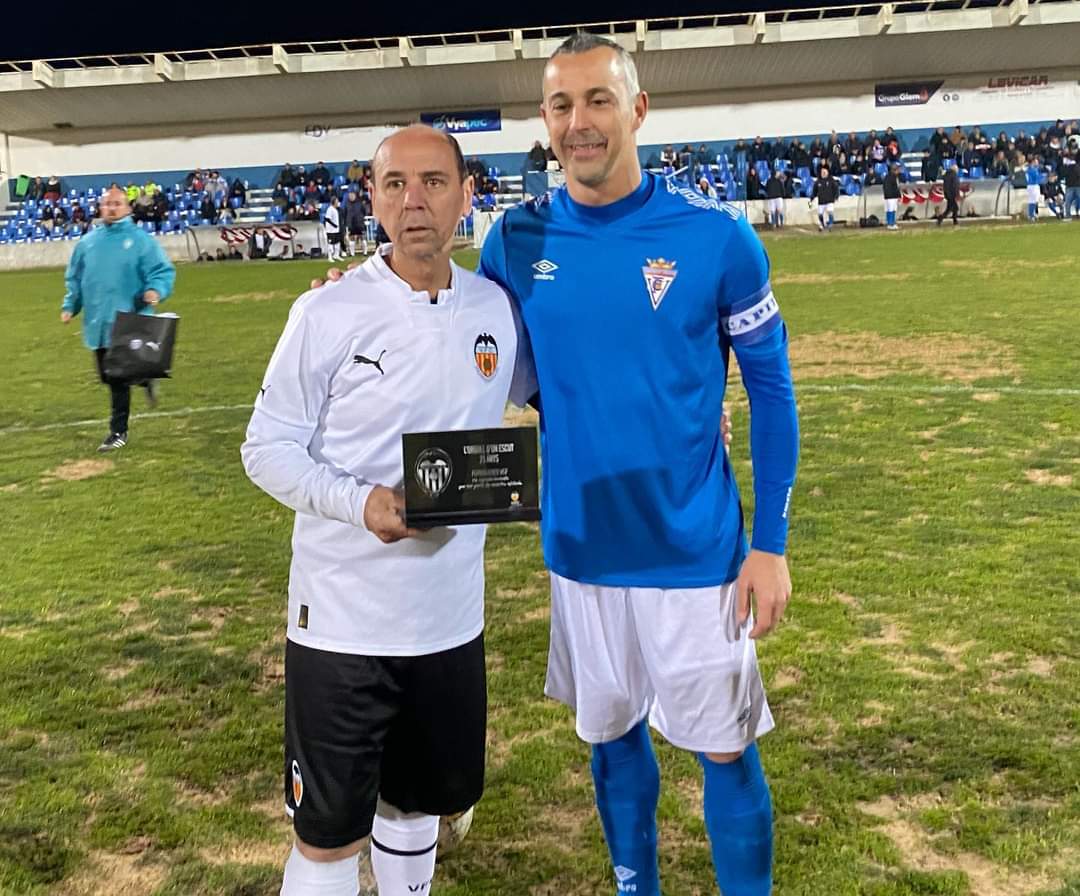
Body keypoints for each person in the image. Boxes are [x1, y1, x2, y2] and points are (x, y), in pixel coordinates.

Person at [478, 34, 796, 896]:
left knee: (725, 749)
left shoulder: (715, 237)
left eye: (598, 100)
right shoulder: (513, 241)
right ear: (544, 123)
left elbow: (771, 391)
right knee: (610, 738)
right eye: (560, 106)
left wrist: (768, 543)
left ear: (638, 108)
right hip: (580, 550)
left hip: (695, 554)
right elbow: (461, 347)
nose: (579, 123)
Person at [242, 124, 531, 896]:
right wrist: (360, 501)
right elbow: (265, 447)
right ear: (371, 198)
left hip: (448, 619)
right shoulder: (327, 313)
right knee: (328, 834)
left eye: (434, 182)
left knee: (416, 811)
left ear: (469, 195)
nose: (414, 201)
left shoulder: (497, 311)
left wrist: (695, 418)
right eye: (395, 183)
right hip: (342, 621)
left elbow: (570, 404)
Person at [60, 187, 175, 452]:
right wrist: (70, 306)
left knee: (116, 379)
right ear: (101, 207)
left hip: (129, 319)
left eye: (117, 203)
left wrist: (156, 290)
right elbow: (75, 279)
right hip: (97, 323)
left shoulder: (140, 240)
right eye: (107, 203)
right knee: (106, 376)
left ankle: (118, 432)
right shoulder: (87, 243)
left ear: (128, 208)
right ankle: (145, 376)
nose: (112, 208)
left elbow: (162, 270)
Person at [810, 164, 839, 231]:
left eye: (824, 172)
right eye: (822, 172)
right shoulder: (818, 182)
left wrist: (836, 196)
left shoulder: (831, 180)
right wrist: (811, 199)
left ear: (827, 172)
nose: (823, 173)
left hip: (830, 200)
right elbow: (814, 191)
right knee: (820, 214)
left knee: (830, 211)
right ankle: (822, 225)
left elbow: (836, 188)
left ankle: (830, 224)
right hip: (821, 201)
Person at [323, 194, 343, 262]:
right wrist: (334, 225)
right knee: (330, 244)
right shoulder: (330, 209)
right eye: (337, 201)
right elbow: (327, 219)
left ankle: (336, 255)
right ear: (333, 202)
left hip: (336, 230)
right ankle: (330, 256)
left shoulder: (336, 209)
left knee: (337, 243)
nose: (338, 203)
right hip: (330, 230)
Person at [883, 163, 902, 230]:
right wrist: (899, 196)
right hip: (892, 196)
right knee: (892, 210)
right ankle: (891, 223)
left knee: (888, 210)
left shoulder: (887, 176)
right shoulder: (894, 177)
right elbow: (896, 188)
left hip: (887, 196)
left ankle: (889, 223)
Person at [1024, 155, 1042, 222]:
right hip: (1033, 186)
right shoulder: (1032, 170)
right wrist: (1043, 177)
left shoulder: (1029, 169)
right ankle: (1032, 215)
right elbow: (1036, 179)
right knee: (1034, 201)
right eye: (1036, 162)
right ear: (1033, 162)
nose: (1037, 163)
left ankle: (1030, 215)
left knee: (1031, 201)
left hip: (1030, 186)